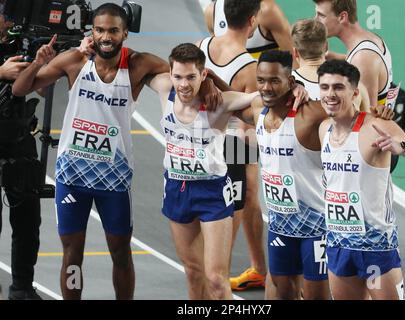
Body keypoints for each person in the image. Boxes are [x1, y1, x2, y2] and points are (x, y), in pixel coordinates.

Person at [12, 3, 173, 300]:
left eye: (113, 30)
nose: (106, 36)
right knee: (72, 254)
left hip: (114, 179)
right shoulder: (75, 60)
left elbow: (184, 71)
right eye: (99, 30)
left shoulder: (139, 64)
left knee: (121, 252)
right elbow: (20, 89)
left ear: (125, 32)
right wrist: (37, 62)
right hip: (73, 175)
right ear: (92, 32)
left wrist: (212, 83)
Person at [147, 43, 260, 299]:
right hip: (177, 188)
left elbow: (260, 98)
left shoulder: (219, 103)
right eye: (178, 76)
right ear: (170, 74)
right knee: (193, 272)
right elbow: (138, 62)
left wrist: (295, 89)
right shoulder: (165, 88)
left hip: (212, 192)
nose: (183, 84)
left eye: (191, 77)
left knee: (217, 280)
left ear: (203, 75)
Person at [317, 59, 405, 299]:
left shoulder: (376, 126)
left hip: (375, 246)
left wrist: (400, 146)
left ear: (354, 93)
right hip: (338, 243)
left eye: (338, 87)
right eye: (325, 87)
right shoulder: (324, 129)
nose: (330, 94)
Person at [234, 50, 330, 299]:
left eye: (275, 81)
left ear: (291, 81)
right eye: (262, 80)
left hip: (317, 228)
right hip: (280, 225)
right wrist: (206, 80)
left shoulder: (311, 114)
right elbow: (227, 101)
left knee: (316, 295)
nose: (266, 87)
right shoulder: (258, 108)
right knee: (281, 290)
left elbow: (351, 116)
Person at [198, 0, 267, 291]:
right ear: (252, 21)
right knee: (236, 203)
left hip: (196, 138)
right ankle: (218, 276)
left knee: (247, 199)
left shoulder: (200, 44)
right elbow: (250, 123)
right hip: (232, 142)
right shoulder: (249, 68)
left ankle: (259, 268)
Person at [0, 10, 43, 300]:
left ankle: (22, 288)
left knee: (28, 216)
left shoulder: (24, 38)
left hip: (16, 133)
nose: (11, 16)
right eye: (5, 11)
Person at [313, 0, 394, 112]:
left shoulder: (363, 58)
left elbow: (368, 118)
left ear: (342, 17)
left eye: (321, 15)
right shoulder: (370, 39)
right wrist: (332, 57)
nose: (315, 20)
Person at [205, 0, 296, 63]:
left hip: (267, 88)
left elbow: (294, 62)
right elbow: (216, 59)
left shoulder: (267, 10)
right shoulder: (212, 11)